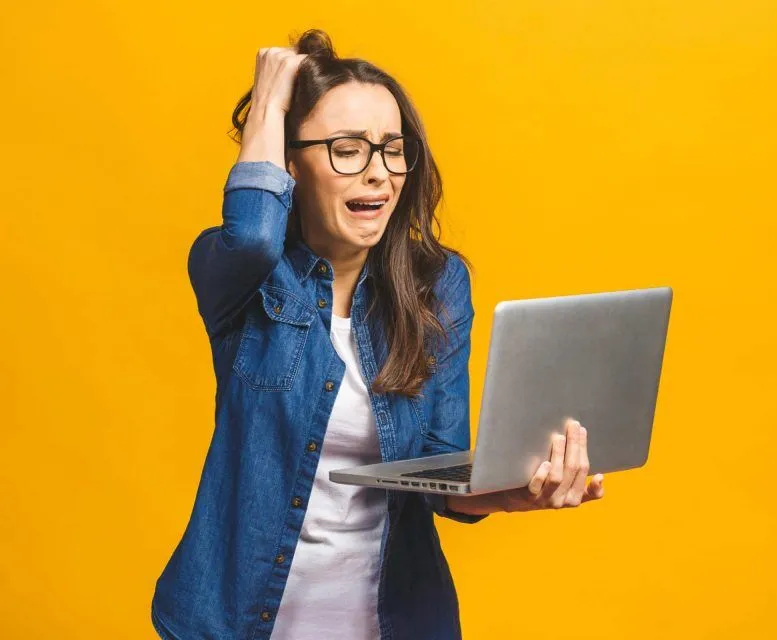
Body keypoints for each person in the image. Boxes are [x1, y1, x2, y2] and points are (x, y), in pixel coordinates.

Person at [151, 28, 605, 640]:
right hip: (240, 623)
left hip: (391, 623)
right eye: (346, 148)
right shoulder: (240, 277)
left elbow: (436, 473)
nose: (379, 174)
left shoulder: (438, 285)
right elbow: (256, 233)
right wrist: (267, 101)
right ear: (289, 163)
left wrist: (513, 492)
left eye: (392, 149)